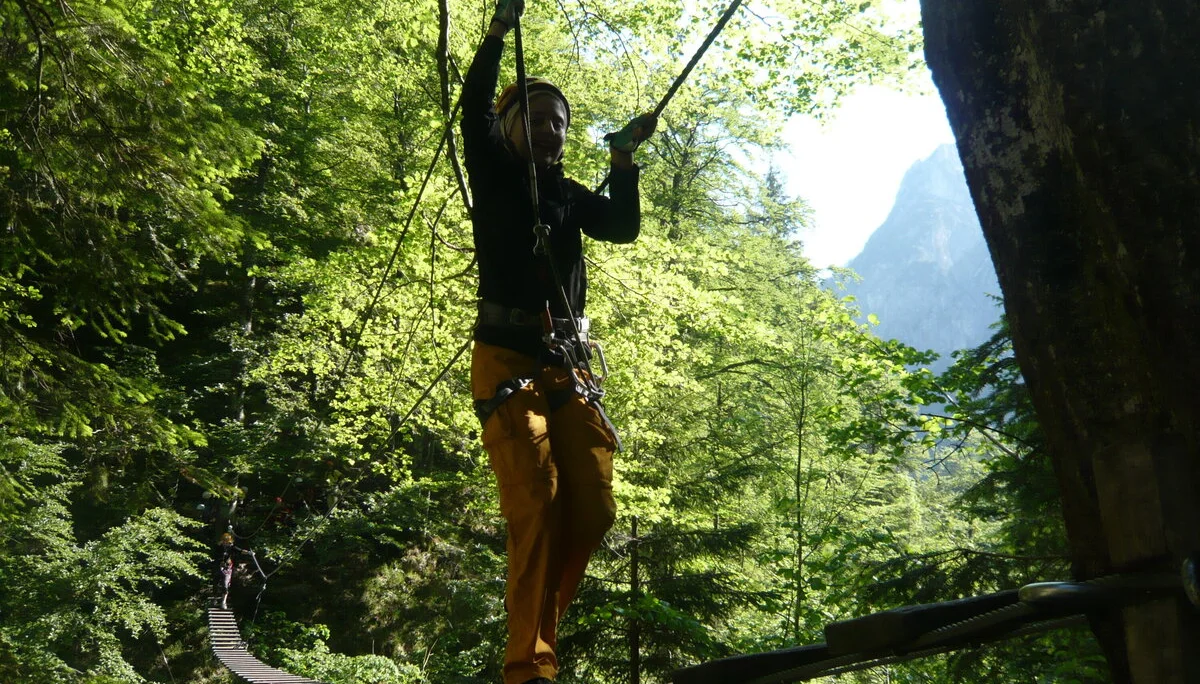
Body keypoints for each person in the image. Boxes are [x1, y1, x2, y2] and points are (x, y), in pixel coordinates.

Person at [460, 1, 655, 682]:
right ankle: (528, 667)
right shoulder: (496, 175)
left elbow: (622, 228)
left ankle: (539, 639)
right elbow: (474, 109)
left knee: (594, 508)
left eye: (558, 123)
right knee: (536, 504)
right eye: (536, 120)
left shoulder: (568, 196)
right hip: (509, 360)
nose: (549, 131)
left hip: (565, 368)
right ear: (512, 130)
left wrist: (623, 157)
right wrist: (496, 35)